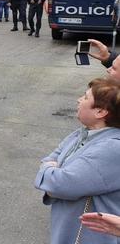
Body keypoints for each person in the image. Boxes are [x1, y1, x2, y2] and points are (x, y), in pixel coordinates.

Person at [34, 78, 120, 244]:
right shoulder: (84, 133)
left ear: (100, 112)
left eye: (85, 97)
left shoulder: (112, 149)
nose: (79, 100)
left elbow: (61, 185)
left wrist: (47, 172)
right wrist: (52, 171)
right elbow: (52, 157)